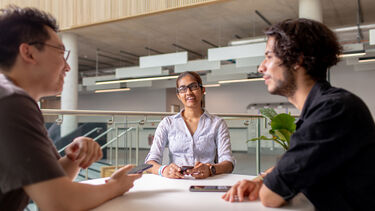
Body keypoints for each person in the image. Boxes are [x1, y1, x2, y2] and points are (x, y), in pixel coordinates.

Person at [222, 18, 375, 210]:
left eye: (269, 56)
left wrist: (266, 184)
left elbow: (271, 196)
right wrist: (261, 180)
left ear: (296, 60)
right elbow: (296, 167)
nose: (261, 67)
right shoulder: (323, 108)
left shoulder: (333, 110)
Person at [0, 6, 141, 210]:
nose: (67, 67)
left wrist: (75, 157)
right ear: (28, 53)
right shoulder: (11, 101)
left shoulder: (13, 98)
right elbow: (59, 202)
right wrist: (115, 186)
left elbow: (50, 182)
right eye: (60, 52)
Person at [145, 71, 235, 179]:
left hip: (207, 182)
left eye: (193, 87)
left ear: (202, 90)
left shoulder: (217, 124)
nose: (188, 92)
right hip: (176, 181)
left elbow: (228, 163)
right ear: (178, 95)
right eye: (183, 89)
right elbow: (150, 163)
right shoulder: (167, 123)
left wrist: (211, 169)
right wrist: (164, 170)